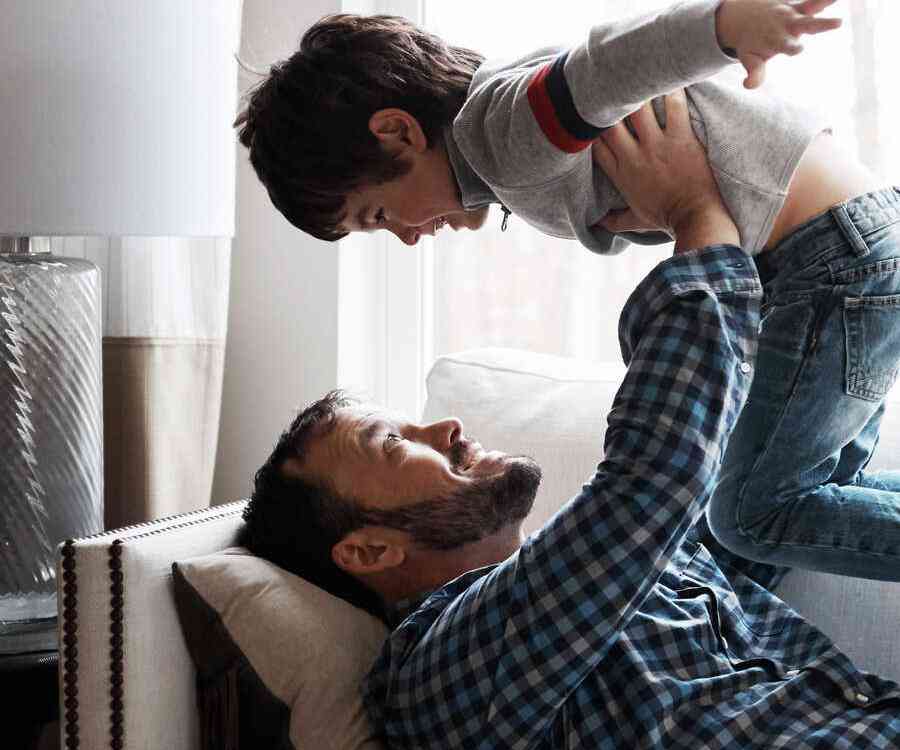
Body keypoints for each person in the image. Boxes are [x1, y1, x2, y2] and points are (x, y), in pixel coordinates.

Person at [242, 90, 900, 750]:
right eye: (396, 445)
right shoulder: (443, 677)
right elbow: (657, 477)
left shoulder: (614, 579)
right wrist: (695, 212)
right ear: (368, 550)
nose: (446, 426)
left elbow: (742, 479)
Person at [235, 0, 900, 582]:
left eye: (377, 215)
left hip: (827, 256)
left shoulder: (504, 135)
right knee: (773, 518)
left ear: (398, 132)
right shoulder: (499, 127)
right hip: (841, 243)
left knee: (753, 515)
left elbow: (605, 63)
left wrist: (724, 27)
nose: (406, 237)